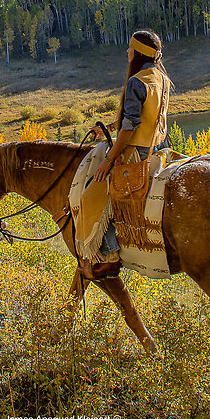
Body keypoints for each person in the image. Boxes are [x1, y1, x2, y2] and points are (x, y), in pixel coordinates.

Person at [79, 29, 174, 279]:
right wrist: (109, 129)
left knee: (92, 196)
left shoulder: (136, 82)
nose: (127, 52)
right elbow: (144, 119)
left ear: (139, 53)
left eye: (130, 49)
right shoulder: (161, 78)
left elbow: (131, 127)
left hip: (137, 151)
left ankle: (109, 253)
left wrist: (109, 161)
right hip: (159, 146)